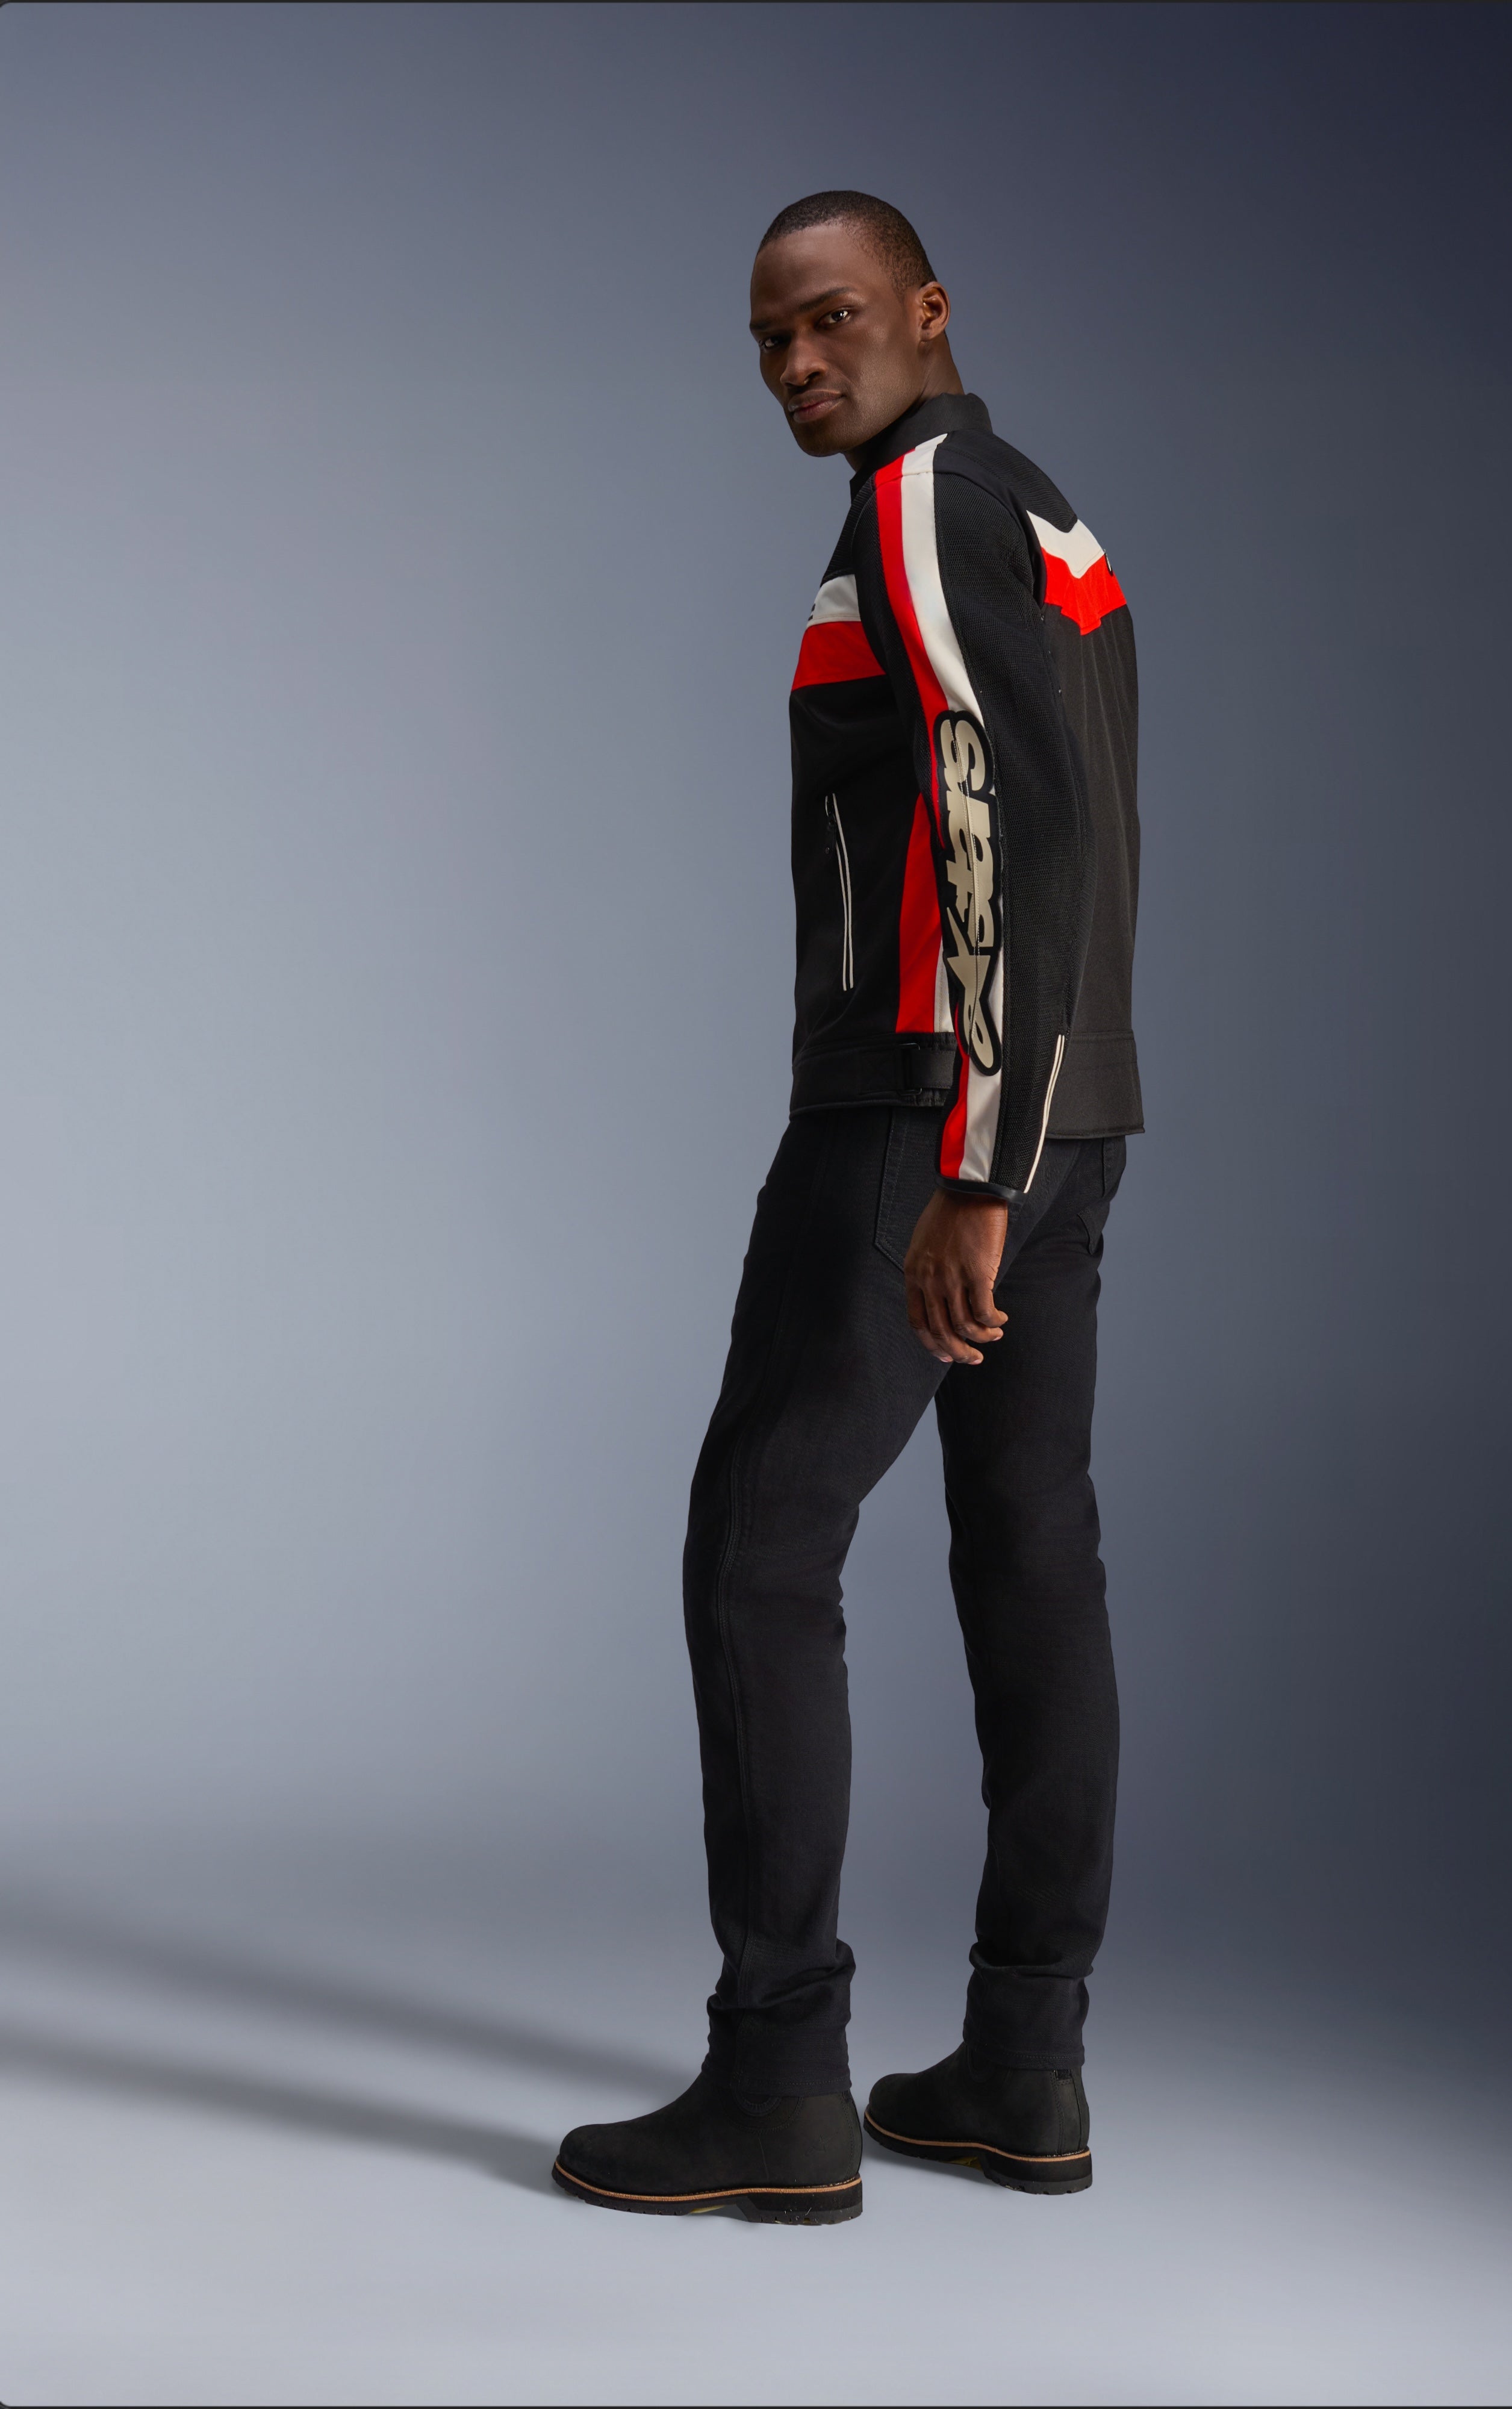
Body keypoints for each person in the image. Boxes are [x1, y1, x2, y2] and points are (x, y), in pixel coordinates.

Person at [554, 191, 1142, 2224]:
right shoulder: (1043, 511)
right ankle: (1023, 2066)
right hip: (1070, 1118)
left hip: (927, 1120)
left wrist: (972, 1161)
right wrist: (1039, 1136)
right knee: (1030, 1553)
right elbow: (1077, 829)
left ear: (927, 310)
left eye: (830, 322)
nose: (799, 365)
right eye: (769, 342)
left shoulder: (918, 504)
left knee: (758, 1551)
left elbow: (1006, 827)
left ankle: (781, 2081)